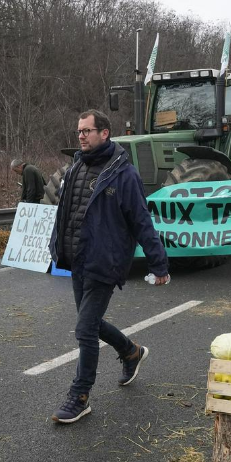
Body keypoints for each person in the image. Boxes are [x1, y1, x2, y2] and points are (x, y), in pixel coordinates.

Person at [48, 109, 170, 424]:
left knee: (85, 328)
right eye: (79, 131)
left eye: (87, 130)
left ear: (104, 133)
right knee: (92, 323)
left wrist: (159, 264)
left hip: (104, 262)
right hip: (76, 260)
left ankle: (81, 395)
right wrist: (56, 248)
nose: (81, 136)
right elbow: (67, 213)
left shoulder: (124, 175)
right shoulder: (75, 167)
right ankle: (131, 351)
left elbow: (142, 221)